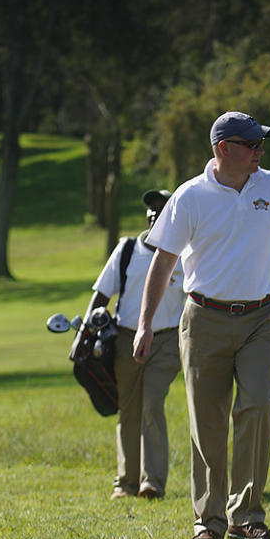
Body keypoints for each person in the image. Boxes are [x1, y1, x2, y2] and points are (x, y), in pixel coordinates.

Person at [133, 111, 270, 539]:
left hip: (262, 317)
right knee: (208, 422)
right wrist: (144, 324)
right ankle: (209, 521)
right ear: (224, 149)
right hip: (204, 319)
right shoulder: (189, 197)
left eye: (262, 144)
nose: (261, 151)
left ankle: (246, 516)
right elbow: (163, 262)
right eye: (252, 144)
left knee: (257, 406)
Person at [86, 188, 184, 500]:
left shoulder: (186, 252)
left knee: (152, 403)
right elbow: (102, 295)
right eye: (151, 210)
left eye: (162, 209)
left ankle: (152, 482)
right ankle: (125, 483)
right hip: (127, 338)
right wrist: (87, 331)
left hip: (168, 338)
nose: (155, 214)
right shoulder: (127, 249)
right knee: (128, 408)